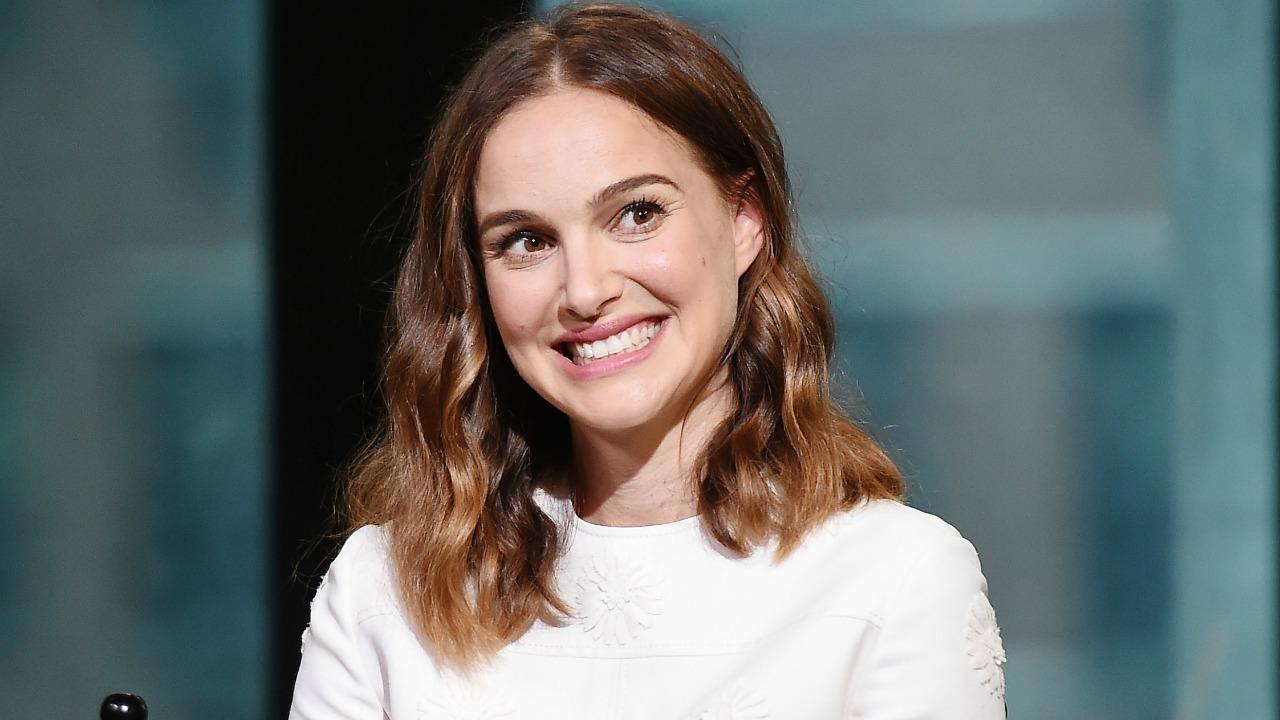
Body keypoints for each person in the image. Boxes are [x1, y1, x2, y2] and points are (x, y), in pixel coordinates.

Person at [290, 4, 1007, 718]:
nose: (585, 290)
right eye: (527, 241)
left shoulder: (894, 582)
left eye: (637, 214)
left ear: (745, 219)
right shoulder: (384, 593)